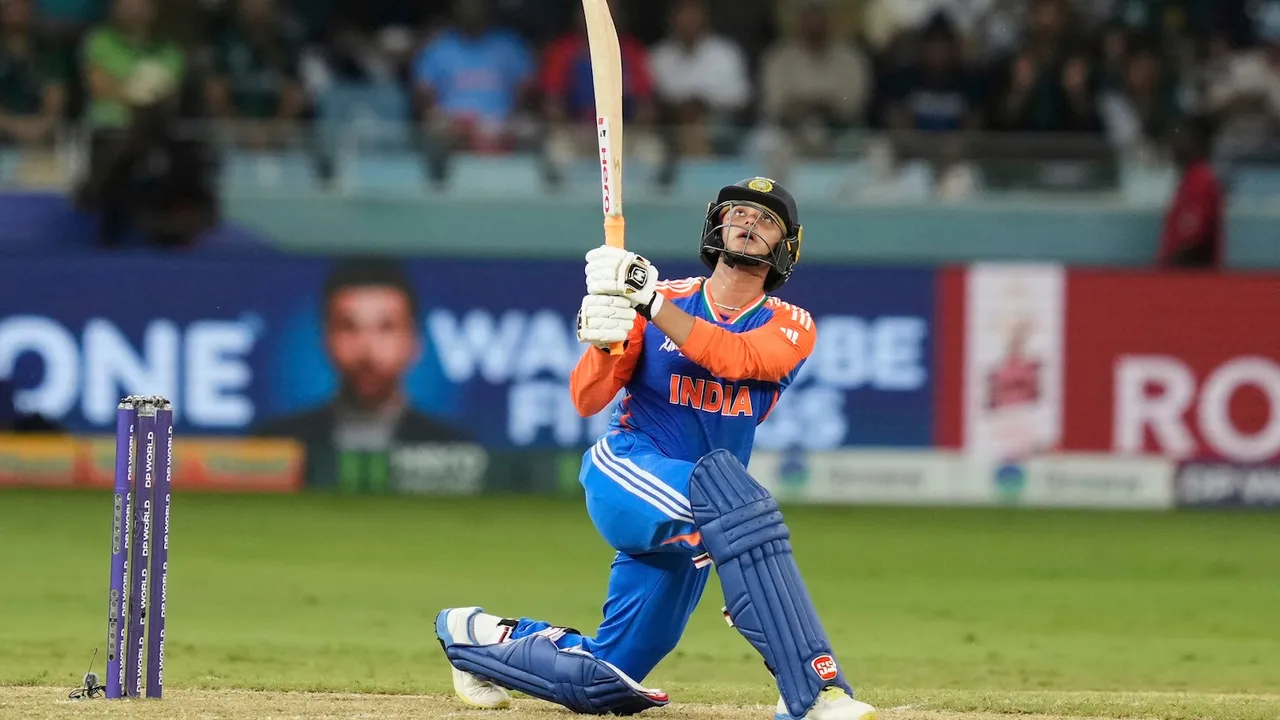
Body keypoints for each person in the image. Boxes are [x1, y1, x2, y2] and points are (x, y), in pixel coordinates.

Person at [434, 178, 878, 720]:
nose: (747, 224)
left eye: (765, 221)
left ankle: (477, 640)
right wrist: (606, 341)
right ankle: (815, 691)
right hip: (627, 472)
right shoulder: (657, 300)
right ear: (716, 225)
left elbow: (735, 360)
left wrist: (646, 302)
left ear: (786, 246)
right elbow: (586, 396)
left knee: (605, 679)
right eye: (738, 213)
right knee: (739, 504)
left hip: (704, 515)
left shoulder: (790, 325)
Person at [253, 260, 474, 488]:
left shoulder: (455, 447)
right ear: (326, 338)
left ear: (414, 341)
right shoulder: (277, 442)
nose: (366, 350)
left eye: (386, 327)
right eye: (349, 327)